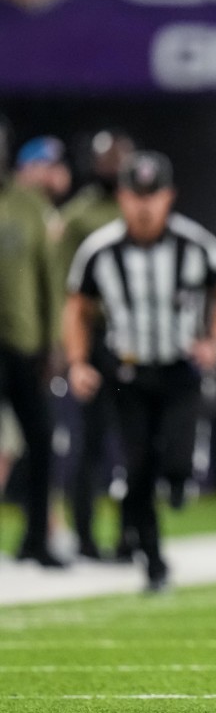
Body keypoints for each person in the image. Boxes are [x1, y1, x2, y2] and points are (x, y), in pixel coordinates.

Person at [62, 150, 216, 592]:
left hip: (181, 369)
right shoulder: (100, 250)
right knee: (138, 465)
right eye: (136, 195)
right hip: (128, 373)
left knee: (177, 462)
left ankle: (179, 482)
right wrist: (78, 362)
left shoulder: (193, 243)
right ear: (121, 197)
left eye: (153, 195)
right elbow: (78, 308)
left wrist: (215, 340)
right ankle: (153, 560)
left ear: (169, 197)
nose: (144, 205)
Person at [57, 129, 135, 559]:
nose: (113, 167)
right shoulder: (77, 216)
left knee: (133, 442)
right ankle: (85, 537)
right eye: (107, 159)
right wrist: (66, 347)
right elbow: (64, 288)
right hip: (93, 333)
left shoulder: (138, 206)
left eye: (119, 159)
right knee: (88, 441)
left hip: (136, 338)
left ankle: (129, 534)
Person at [0, 113, 65, 568]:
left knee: (41, 439)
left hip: (21, 344)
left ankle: (36, 539)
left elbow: (49, 279)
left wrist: (54, 343)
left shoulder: (28, 206)